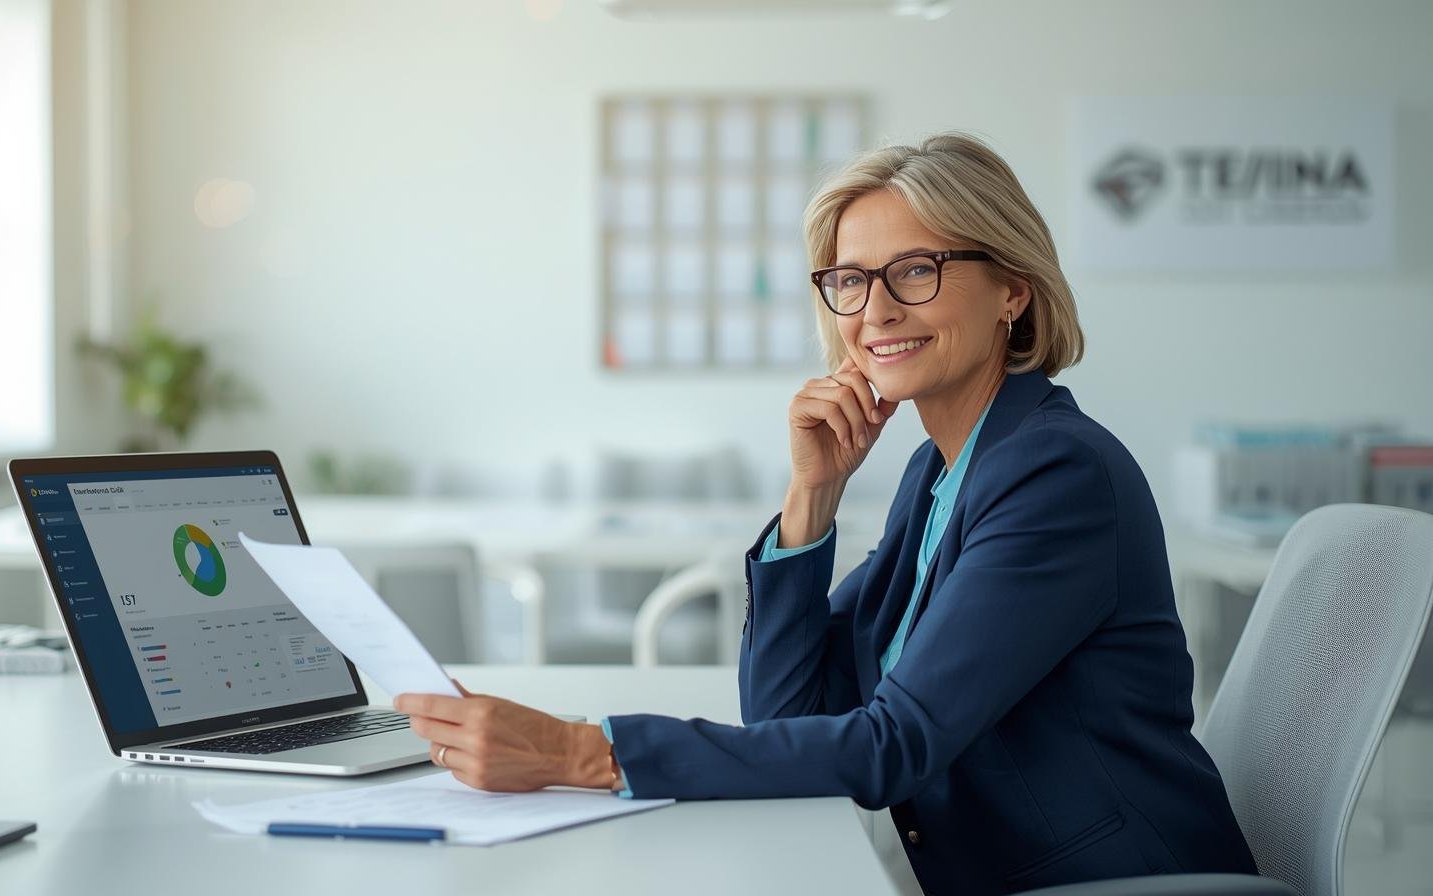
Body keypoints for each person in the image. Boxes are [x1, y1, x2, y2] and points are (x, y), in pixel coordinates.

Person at [396, 133, 1258, 893]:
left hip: (1112, 882)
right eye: (850, 279)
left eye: (916, 271)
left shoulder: (1054, 475)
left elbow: (893, 746)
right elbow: (788, 718)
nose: (876, 309)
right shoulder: (943, 468)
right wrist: (812, 497)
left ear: (1012, 292)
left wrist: (577, 752)